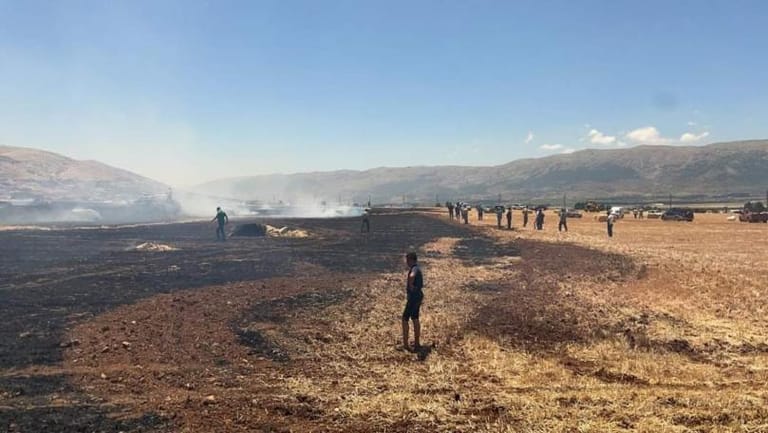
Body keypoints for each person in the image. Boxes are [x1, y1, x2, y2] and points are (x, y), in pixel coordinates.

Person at [402, 252, 424, 351]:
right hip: (419, 296)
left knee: (404, 319)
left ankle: (406, 345)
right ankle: (417, 343)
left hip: (414, 297)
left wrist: (410, 286)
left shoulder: (414, 269)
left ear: (411, 260)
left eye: (407, 260)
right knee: (415, 318)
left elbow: (412, 276)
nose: (406, 262)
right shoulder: (418, 268)